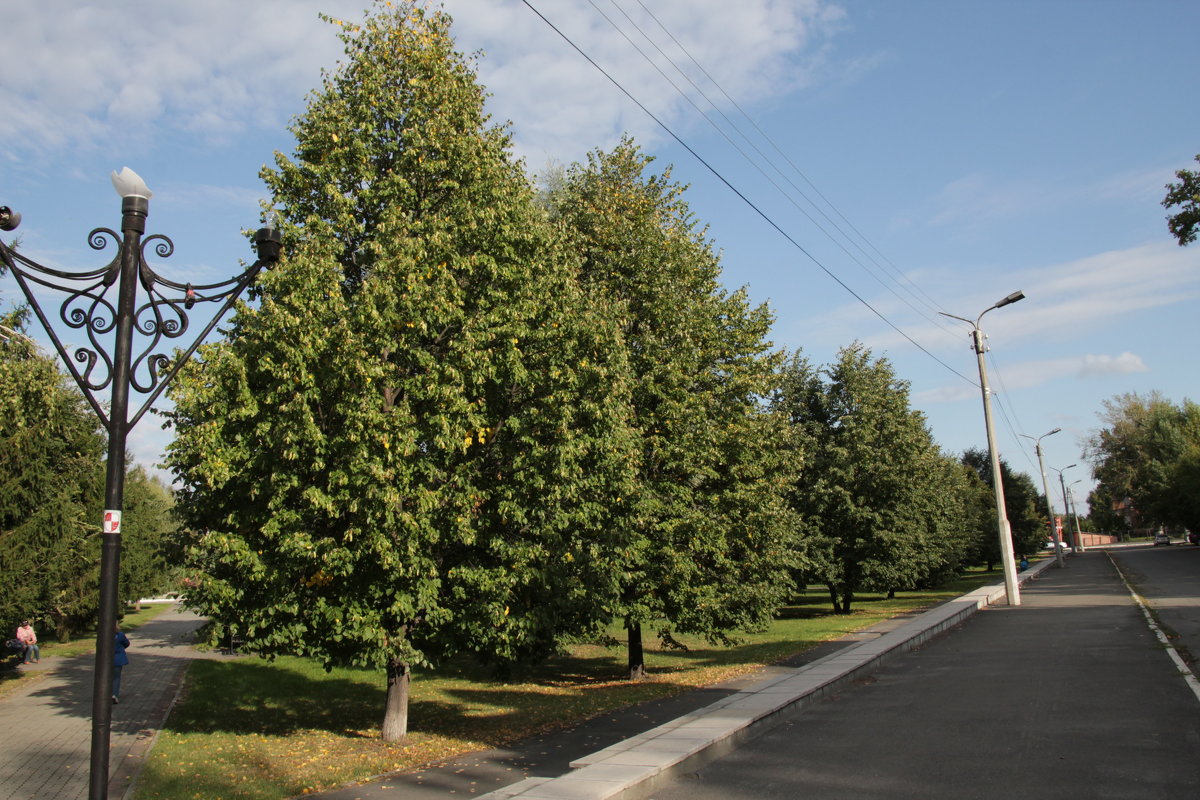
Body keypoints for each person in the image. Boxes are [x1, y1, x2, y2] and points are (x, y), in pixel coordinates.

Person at [112, 625, 130, 704]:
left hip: (106, 659)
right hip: (118, 659)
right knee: (116, 678)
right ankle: (114, 694)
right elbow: (127, 643)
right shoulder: (120, 635)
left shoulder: (104, 635)